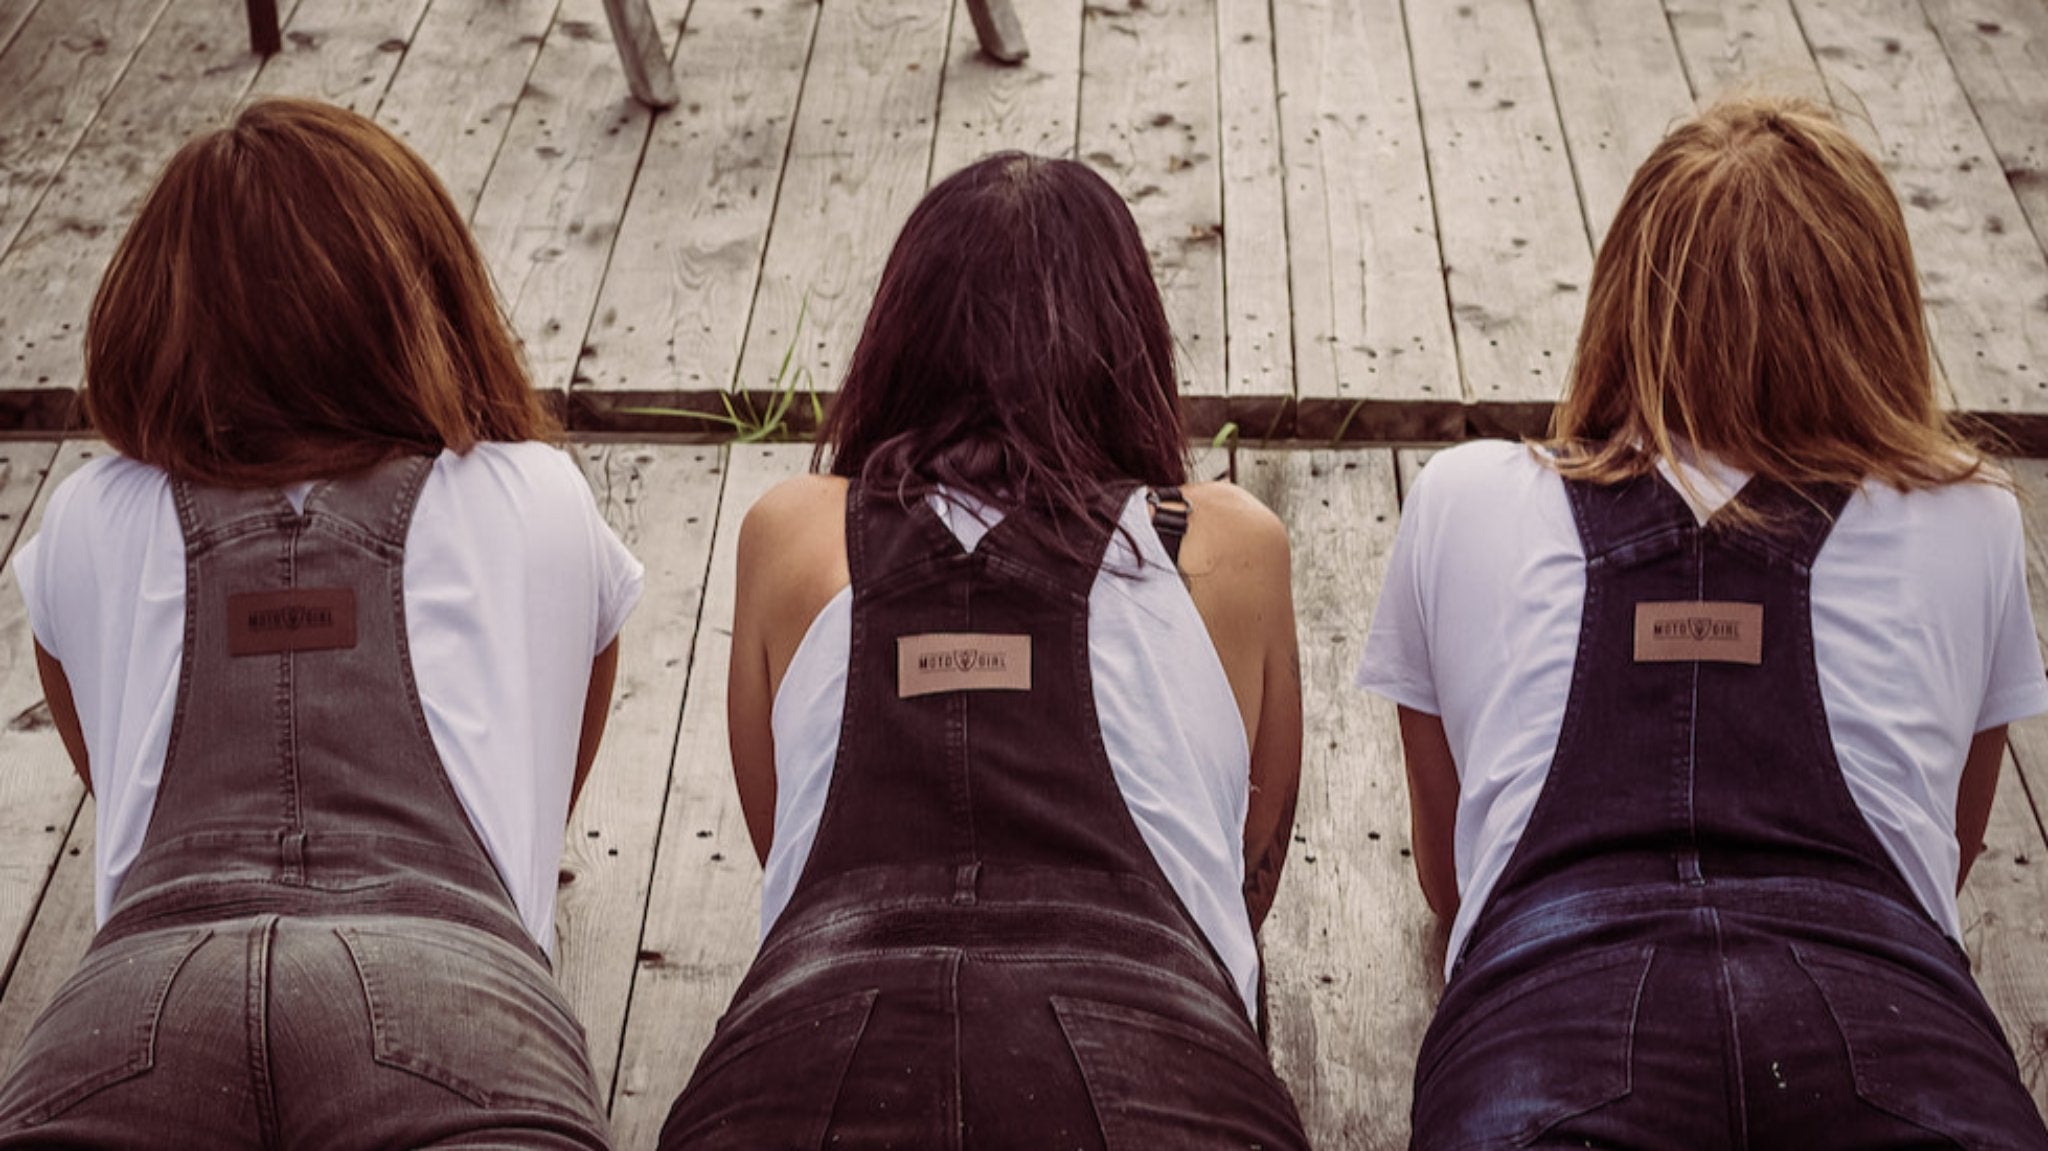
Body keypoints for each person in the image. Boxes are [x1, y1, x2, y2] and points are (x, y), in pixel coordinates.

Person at [1359, 95, 2048, 1148]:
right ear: (1873, 306)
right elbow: (1938, 859)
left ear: (1628, 292)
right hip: (1886, 1018)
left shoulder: (1460, 496)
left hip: (1551, 1017)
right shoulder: (1969, 513)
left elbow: (1450, 877)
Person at [0, 99, 641, 1149]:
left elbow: (107, 765)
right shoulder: (537, 493)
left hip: (138, 999)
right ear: (417, 291)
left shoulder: (88, 512)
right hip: (448, 986)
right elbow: (558, 743)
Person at [660, 152, 1310, 1149]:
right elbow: (1241, 873)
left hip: (805, 1054)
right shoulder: (1223, 539)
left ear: (897, 338)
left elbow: (784, 844)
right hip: (1159, 1065)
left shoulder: (795, 529)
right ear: (1128, 341)